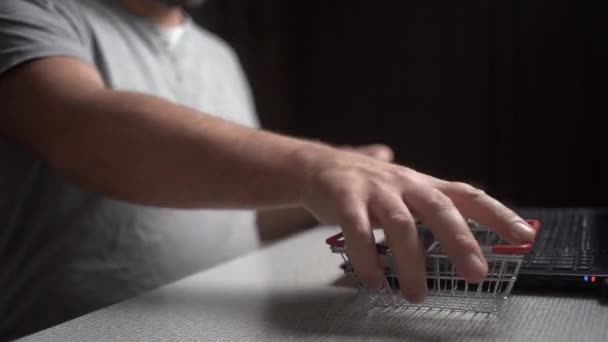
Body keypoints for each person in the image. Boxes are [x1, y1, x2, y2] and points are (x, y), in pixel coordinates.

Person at [0, 0, 537, 340]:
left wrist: (344, 200)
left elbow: (240, 220)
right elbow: (80, 131)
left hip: (231, 322)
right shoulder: (31, 12)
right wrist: (319, 166)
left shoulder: (219, 55)